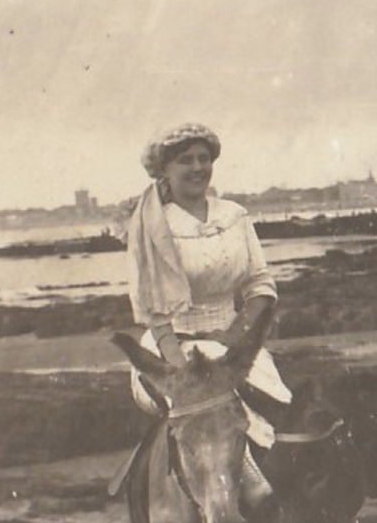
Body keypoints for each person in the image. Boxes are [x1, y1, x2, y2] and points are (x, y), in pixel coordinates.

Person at [122, 123, 290, 486]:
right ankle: (206, 499)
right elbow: (151, 308)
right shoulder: (150, 225)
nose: (198, 167)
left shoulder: (233, 216)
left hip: (232, 343)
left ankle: (278, 500)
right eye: (186, 160)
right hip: (172, 346)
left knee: (278, 406)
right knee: (202, 412)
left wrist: (237, 337)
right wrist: (180, 368)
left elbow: (260, 284)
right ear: (164, 169)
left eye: (204, 158)